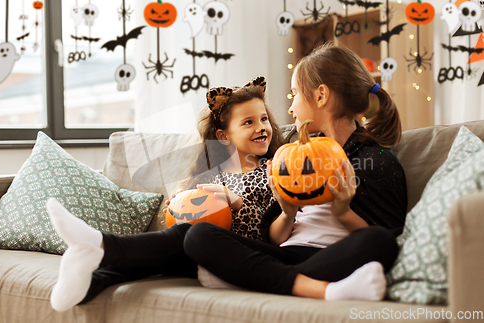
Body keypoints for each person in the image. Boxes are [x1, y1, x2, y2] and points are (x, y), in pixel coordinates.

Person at [182, 44, 408, 301]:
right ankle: (313, 288)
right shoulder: (296, 154)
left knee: (380, 241)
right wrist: (287, 210)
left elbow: (389, 238)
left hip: (330, 256)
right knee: (198, 236)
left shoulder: (375, 160)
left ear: (321, 95)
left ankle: (251, 278)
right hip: (286, 254)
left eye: (295, 94)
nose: (290, 108)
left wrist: (343, 212)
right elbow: (274, 240)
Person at [46, 76, 284, 312]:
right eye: (248, 122)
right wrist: (179, 207)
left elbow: (271, 234)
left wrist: (235, 202)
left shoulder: (273, 171)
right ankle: (89, 283)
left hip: (241, 257)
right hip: (200, 255)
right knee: (154, 256)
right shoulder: (210, 175)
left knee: (183, 236)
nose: (261, 127)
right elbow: (189, 223)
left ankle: (99, 244)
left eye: (264, 119)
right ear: (223, 136)